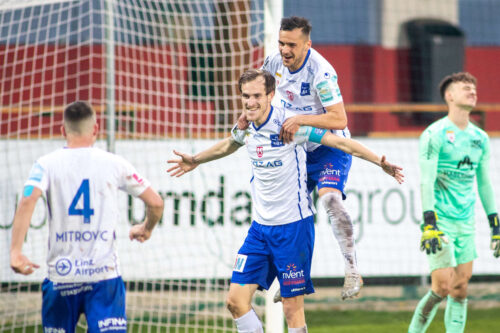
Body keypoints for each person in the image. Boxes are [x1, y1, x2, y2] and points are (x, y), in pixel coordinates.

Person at [168, 69, 403, 333]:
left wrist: (379, 162)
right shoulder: (246, 127)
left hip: (293, 228)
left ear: (270, 95)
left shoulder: (291, 126)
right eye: (245, 96)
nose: (250, 102)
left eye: (257, 95)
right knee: (235, 302)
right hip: (259, 230)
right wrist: (196, 160)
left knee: (292, 311)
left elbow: (340, 143)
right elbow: (229, 144)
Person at [10, 101, 164, 333]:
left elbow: (27, 199)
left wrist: (16, 251)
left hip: (62, 276)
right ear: (96, 129)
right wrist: (147, 227)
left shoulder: (45, 165)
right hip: (103, 277)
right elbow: (156, 202)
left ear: (63, 131)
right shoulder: (114, 163)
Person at [238, 16, 361, 300]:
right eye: (281, 43)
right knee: (289, 212)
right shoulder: (272, 63)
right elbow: (260, 93)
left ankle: (352, 269)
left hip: (330, 145)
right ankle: (293, 275)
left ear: (307, 44)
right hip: (298, 147)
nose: (285, 50)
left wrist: (298, 119)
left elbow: (339, 117)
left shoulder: (322, 71)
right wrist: (249, 111)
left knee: (329, 199)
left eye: (291, 44)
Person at [408, 72, 499, 333]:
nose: (472, 91)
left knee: (460, 289)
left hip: (466, 222)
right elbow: (426, 181)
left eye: (474, 87)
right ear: (449, 96)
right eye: (465, 88)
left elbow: (484, 183)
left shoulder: (480, 138)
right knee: (441, 287)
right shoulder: (434, 134)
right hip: (440, 220)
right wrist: (429, 224)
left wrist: (496, 225)